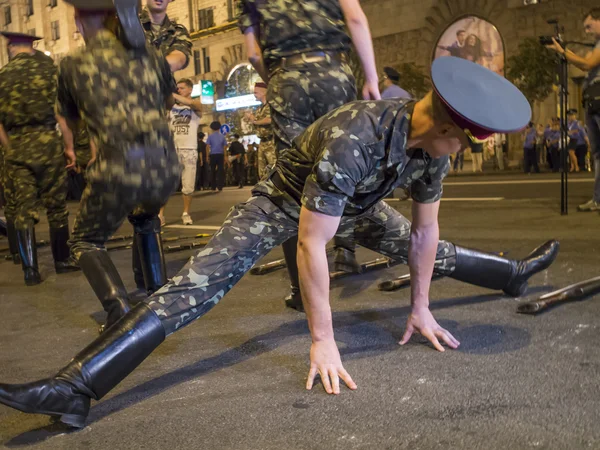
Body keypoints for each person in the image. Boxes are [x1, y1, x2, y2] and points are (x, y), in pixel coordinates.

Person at [0, 57, 560, 427]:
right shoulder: (355, 137)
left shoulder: (428, 149)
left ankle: (509, 274)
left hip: (359, 203)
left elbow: (425, 231)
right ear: (443, 127)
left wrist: (419, 306)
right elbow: (311, 245)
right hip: (283, 206)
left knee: (425, 248)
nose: (460, 152)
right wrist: (323, 339)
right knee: (192, 288)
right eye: (462, 142)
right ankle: (75, 387)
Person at [240, 0, 381, 310]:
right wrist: (371, 78)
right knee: (343, 165)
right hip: (333, 72)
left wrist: (279, 78)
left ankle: (301, 290)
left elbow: (252, 53)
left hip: (285, 76)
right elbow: (355, 18)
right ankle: (345, 249)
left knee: (293, 181)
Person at [55, 0, 179, 333]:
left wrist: (72, 149)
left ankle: (118, 310)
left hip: (119, 166)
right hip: (166, 165)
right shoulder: (151, 55)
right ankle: (159, 296)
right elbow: (168, 101)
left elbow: (68, 118)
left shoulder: (73, 65)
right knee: (145, 215)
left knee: (85, 240)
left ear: (81, 20)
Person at [0, 32, 79, 285]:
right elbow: (62, 116)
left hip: (18, 147)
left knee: (23, 209)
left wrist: (10, 147)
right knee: (56, 206)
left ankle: (30, 270)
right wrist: (69, 148)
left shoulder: (2, 76)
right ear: (31, 46)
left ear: (11, 47)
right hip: (48, 143)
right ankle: (62, 261)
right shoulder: (49, 72)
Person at [129, 0, 194, 294]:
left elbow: (179, 58)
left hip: (156, 119)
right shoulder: (128, 23)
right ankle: (152, 282)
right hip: (127, 116)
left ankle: (147, 278)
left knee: (149, 200)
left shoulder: (177, 30)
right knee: (142, 200)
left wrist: (151, 64)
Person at [546, 8, 600, 211]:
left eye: (589, 26)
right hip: (593, 103)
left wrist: (562, 52)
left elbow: (587, 64)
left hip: (598, 102)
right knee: (598, 154)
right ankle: (598, 199)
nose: (586, 31)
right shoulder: (595, 45)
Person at [160, 78, 202, 226]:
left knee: (188, 186)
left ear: (190, 90)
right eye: (177, 88)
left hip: (189, 150)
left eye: (182, 88)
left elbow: (193, 104)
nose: (178, 90)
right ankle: (160, 215)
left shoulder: (196, 105)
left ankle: (186, 213)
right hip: (173, 150)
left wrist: (172, 93)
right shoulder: (172, 108)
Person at [206, 121, 227, 191]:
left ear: (212, 128)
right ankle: (220, 186)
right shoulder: (222, 136)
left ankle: (213, 187)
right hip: (220, 155)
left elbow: (207, 147)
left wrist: (207, 156)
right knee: (220, 171)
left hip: (213, 155)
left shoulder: (210, 137)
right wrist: (225, 157)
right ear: (219, 127)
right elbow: (224, 148)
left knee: (212, 171)